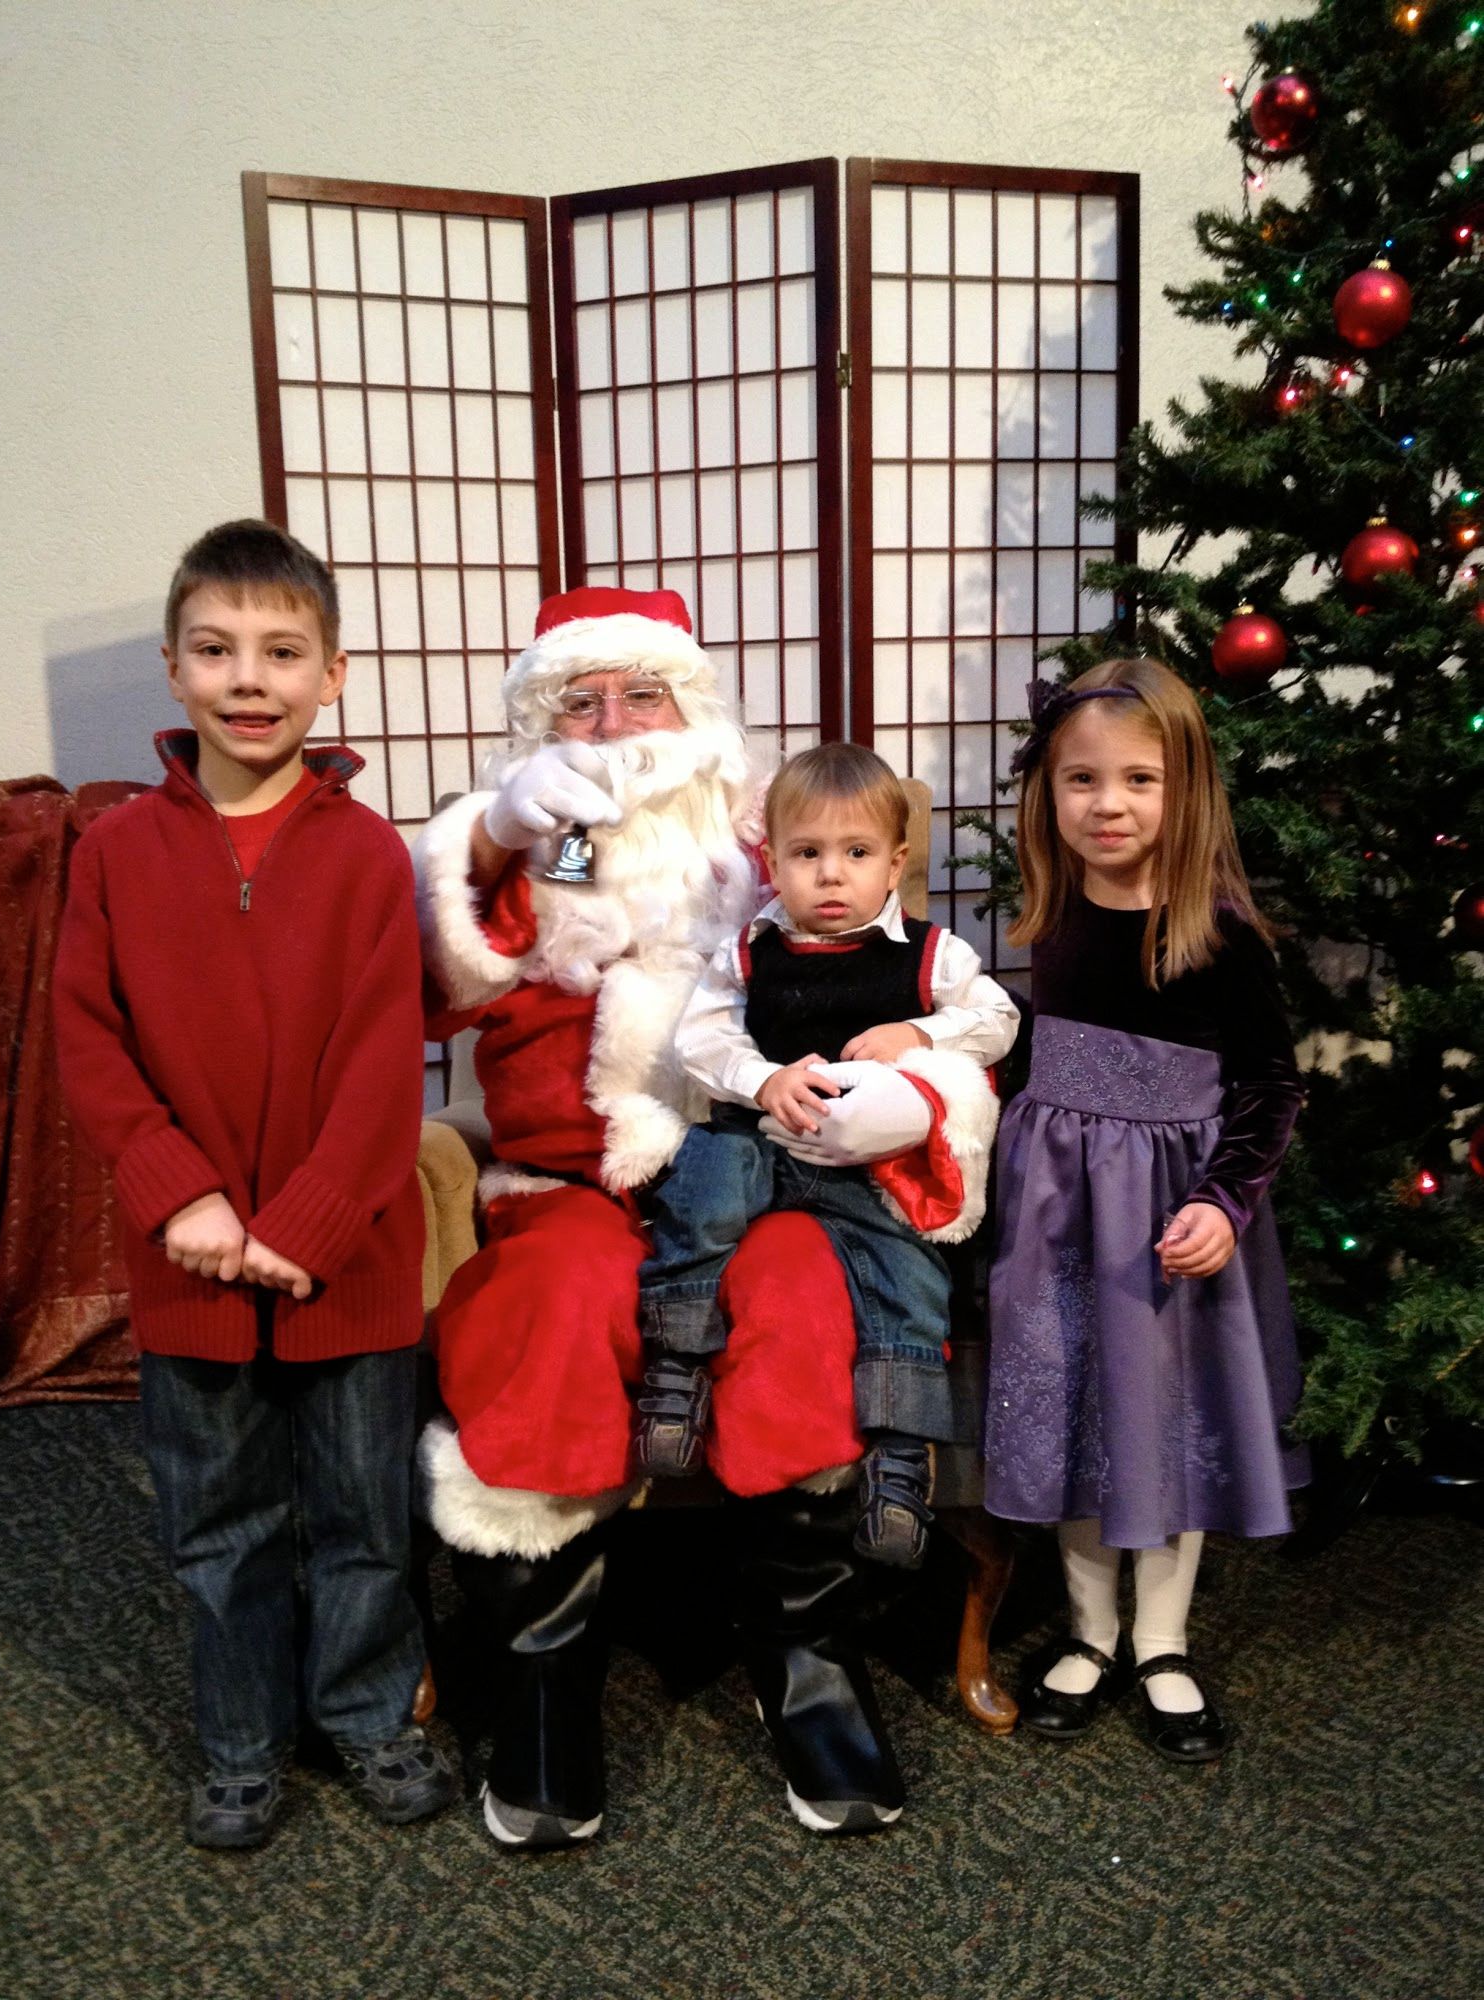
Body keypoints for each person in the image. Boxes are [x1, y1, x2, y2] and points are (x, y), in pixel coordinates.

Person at [413, 586, 992, 1845]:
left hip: (771, 1172)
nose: (616, 724)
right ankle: (545, 1672)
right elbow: (437, 986)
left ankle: (806, 1653)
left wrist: (913, 1089)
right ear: (540, 726)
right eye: (581, 701)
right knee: (551, 1301)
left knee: (802, 1294)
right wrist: (500, 838)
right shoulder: (520, 855)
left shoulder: (771, 846)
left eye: (644, 693)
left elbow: (927, 997)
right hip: (572, 1183)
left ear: (695, 710)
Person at [52, 519, 458, 1848]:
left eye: (282, 652)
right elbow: (89, 1042)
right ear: (174, 668)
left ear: (331, 675)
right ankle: (239, 1737)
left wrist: (315, 1220)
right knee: (218, 1519)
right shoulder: (115, 851)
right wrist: (182, 1195)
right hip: (192, 1263)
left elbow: (384, 1063)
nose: (248, 678)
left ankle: (366, 1711)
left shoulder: (367, 853)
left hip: (350, 1265)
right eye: (217, 649)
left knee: (362, 1513)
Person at [984, 659, 1309, 1763]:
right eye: (1082, 779)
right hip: (1058, 1217)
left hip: (1170, 1224)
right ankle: (1093, 1629)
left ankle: (1163, 1642)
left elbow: (1271, 1087)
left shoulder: (1218, 933)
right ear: (1049, 790)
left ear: (1187, 789)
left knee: (1161, 1421)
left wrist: (1223, 1201)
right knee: (1077, 1409)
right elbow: (1040, 1053)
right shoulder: (1055, 916)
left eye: (1138, 779)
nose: (1108, 804)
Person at [634, 741, 1018, 1574]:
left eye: (857, 853)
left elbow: (998, 1019)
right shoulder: (750, 947)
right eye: (807, 854)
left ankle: (901, 1457)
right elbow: (701, 1039)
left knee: (909, 1277)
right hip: (763, 1140)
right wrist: (763, 1080)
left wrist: (919, 1033)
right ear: (773, 862)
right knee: (705, 1181)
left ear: (896, 862)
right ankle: (677, 1358)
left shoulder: (933, 954)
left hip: (867, 1166)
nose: (832, 875)